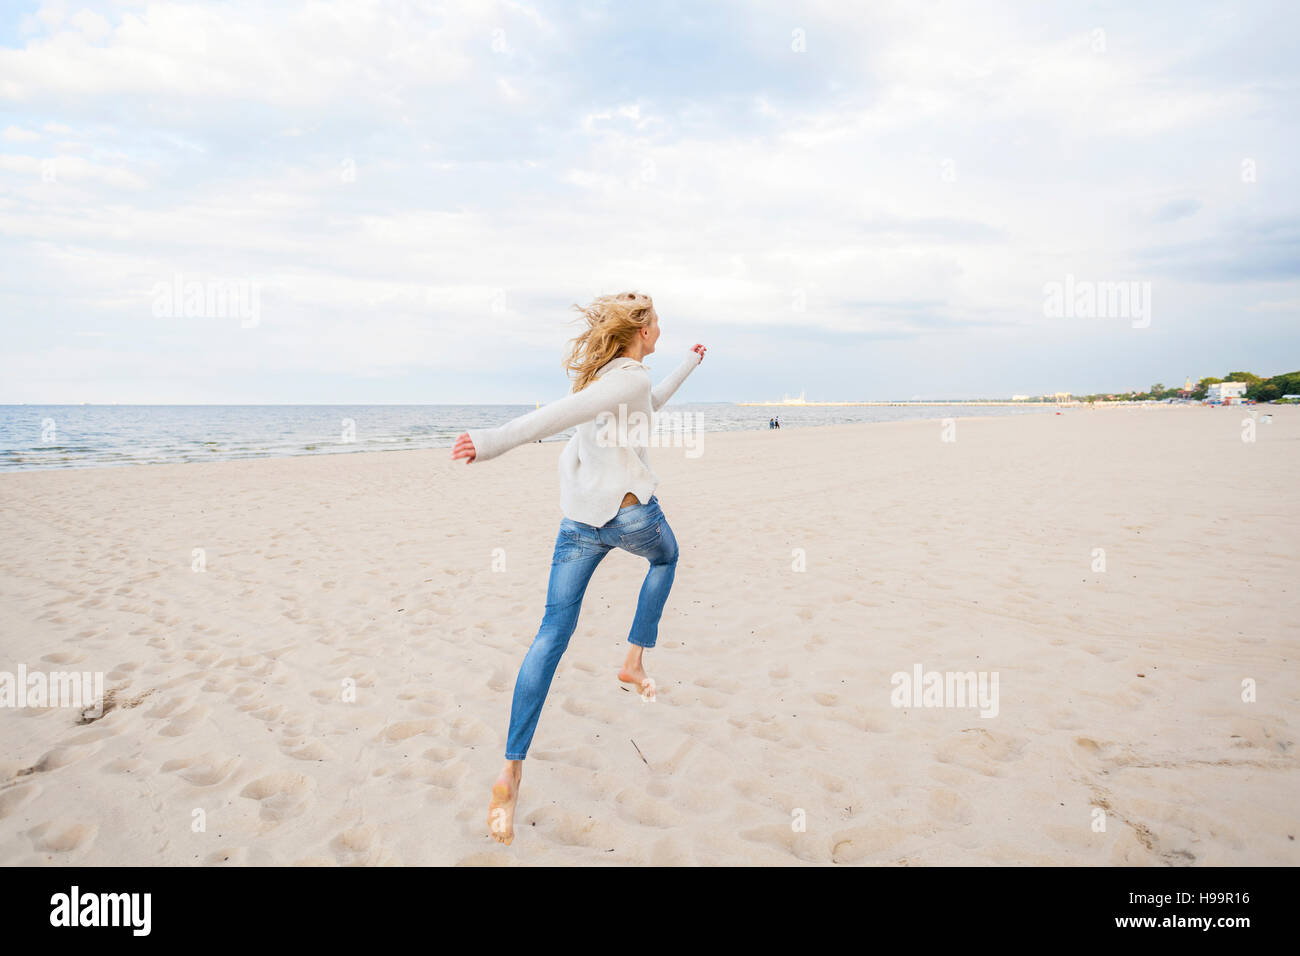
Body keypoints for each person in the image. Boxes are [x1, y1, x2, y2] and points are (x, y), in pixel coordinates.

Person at [451, 291, 706, 845]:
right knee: (667, 557)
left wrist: (689, 361)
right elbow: (556, 416)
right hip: (630, 516)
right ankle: (634, 660)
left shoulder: (619, 378)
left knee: (550, 634)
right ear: (641, 330)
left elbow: (651, 400)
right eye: (657, 323)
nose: (661, 329)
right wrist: (491, 442)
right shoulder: (624, 380)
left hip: (579, 523)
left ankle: (512, 768)